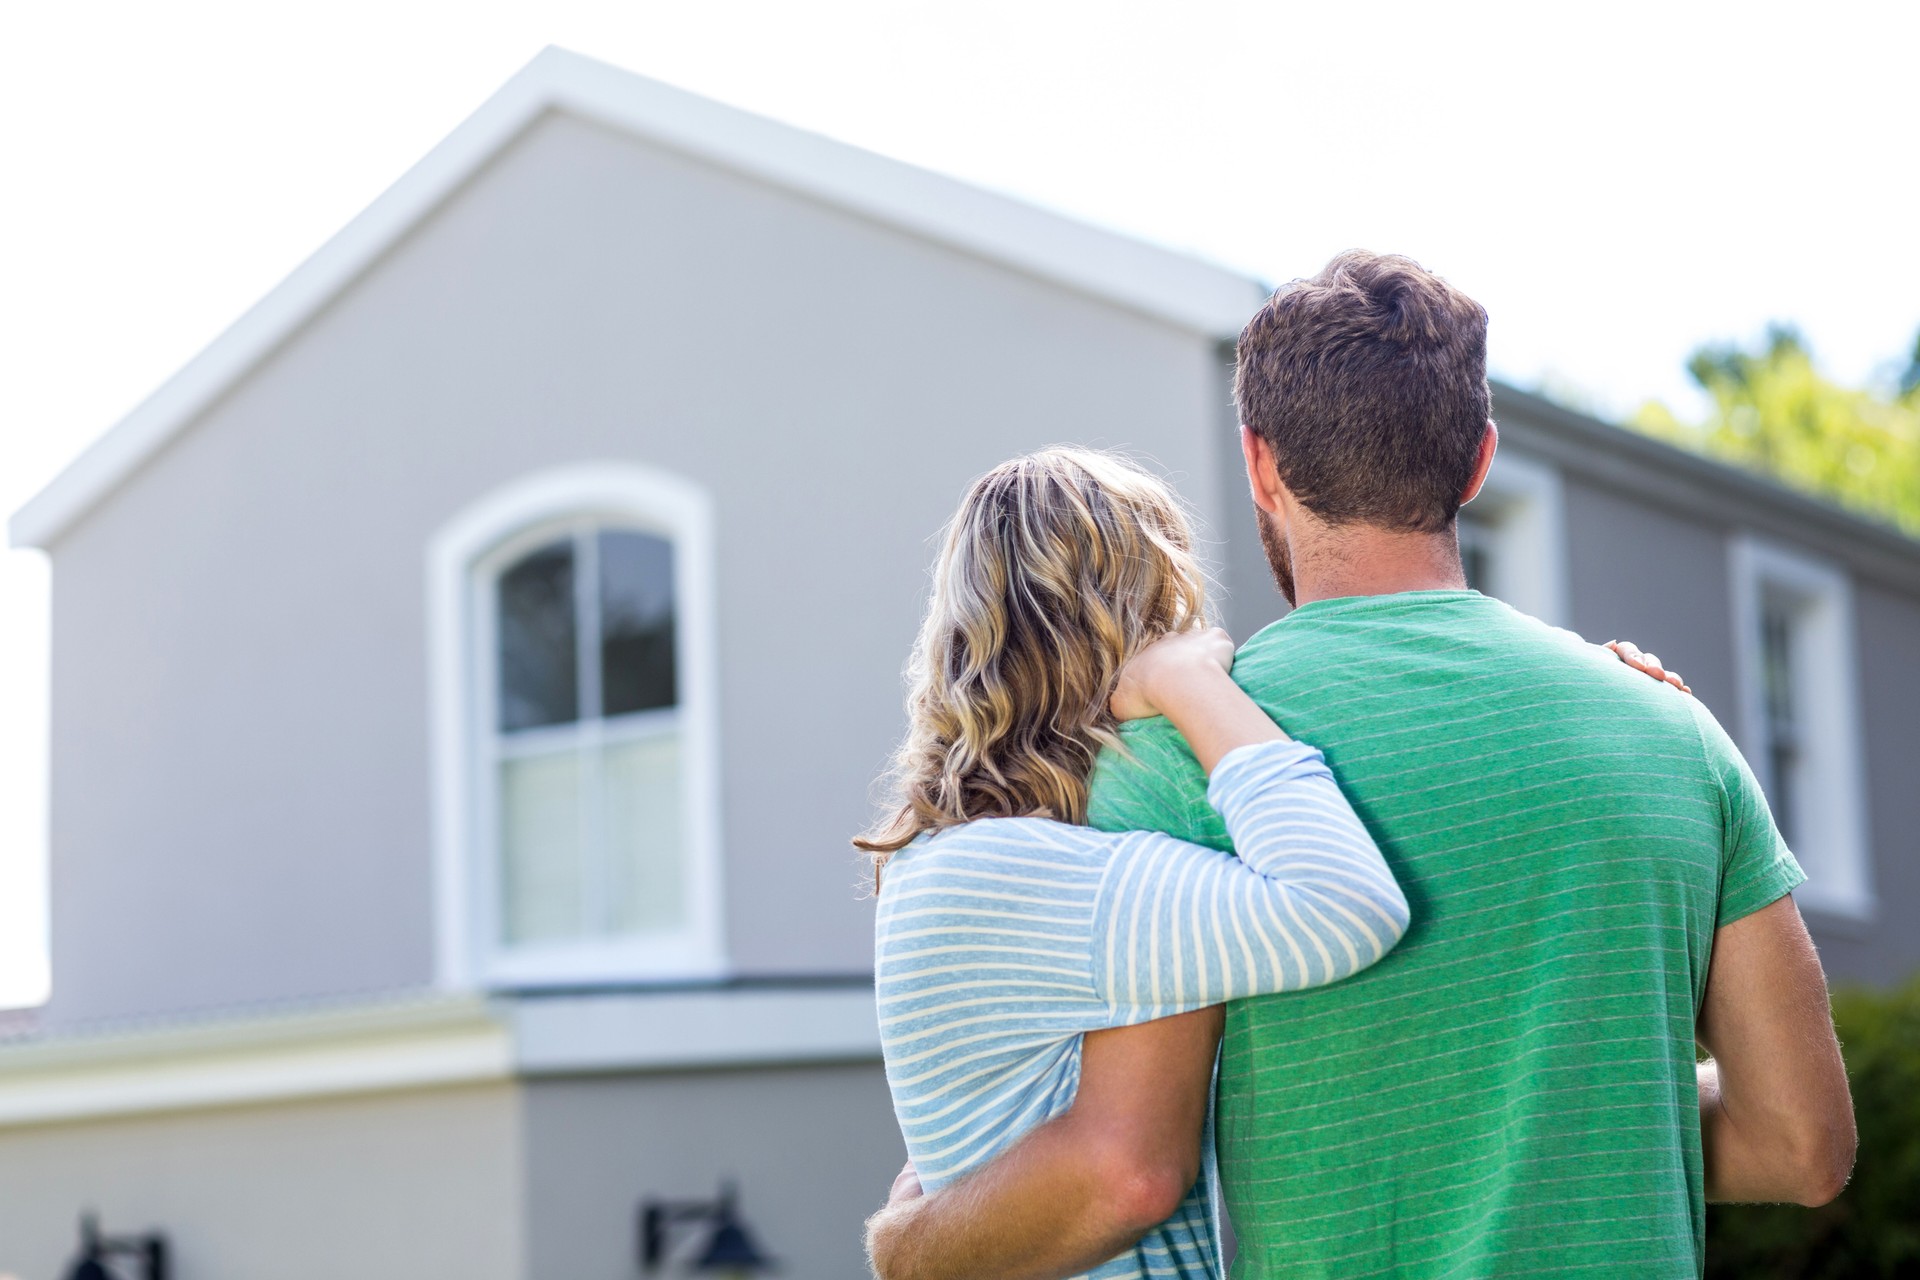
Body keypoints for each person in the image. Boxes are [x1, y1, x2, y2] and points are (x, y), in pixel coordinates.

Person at [864, 252, 1856, 1280]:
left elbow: (1123, 1163)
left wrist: (910, 1240)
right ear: (1477, 461)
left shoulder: (1168, 763)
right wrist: (1581, 1103)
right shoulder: (1673, 732)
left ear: (1261, 465)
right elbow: (1803, 1143)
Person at [863, 448, 1411, 1279]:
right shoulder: (1051, 875)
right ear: (1141, 612)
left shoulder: (946, 861)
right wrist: (1191, 688)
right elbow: (1346, 903)